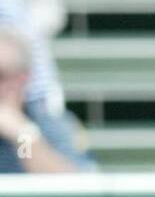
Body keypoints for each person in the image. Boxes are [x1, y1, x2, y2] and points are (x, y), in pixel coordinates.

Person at [0, 26, 94, 174]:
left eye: (1, 75)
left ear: (22, 79)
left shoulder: (52, 125)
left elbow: (76, 190)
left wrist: (22, 134)